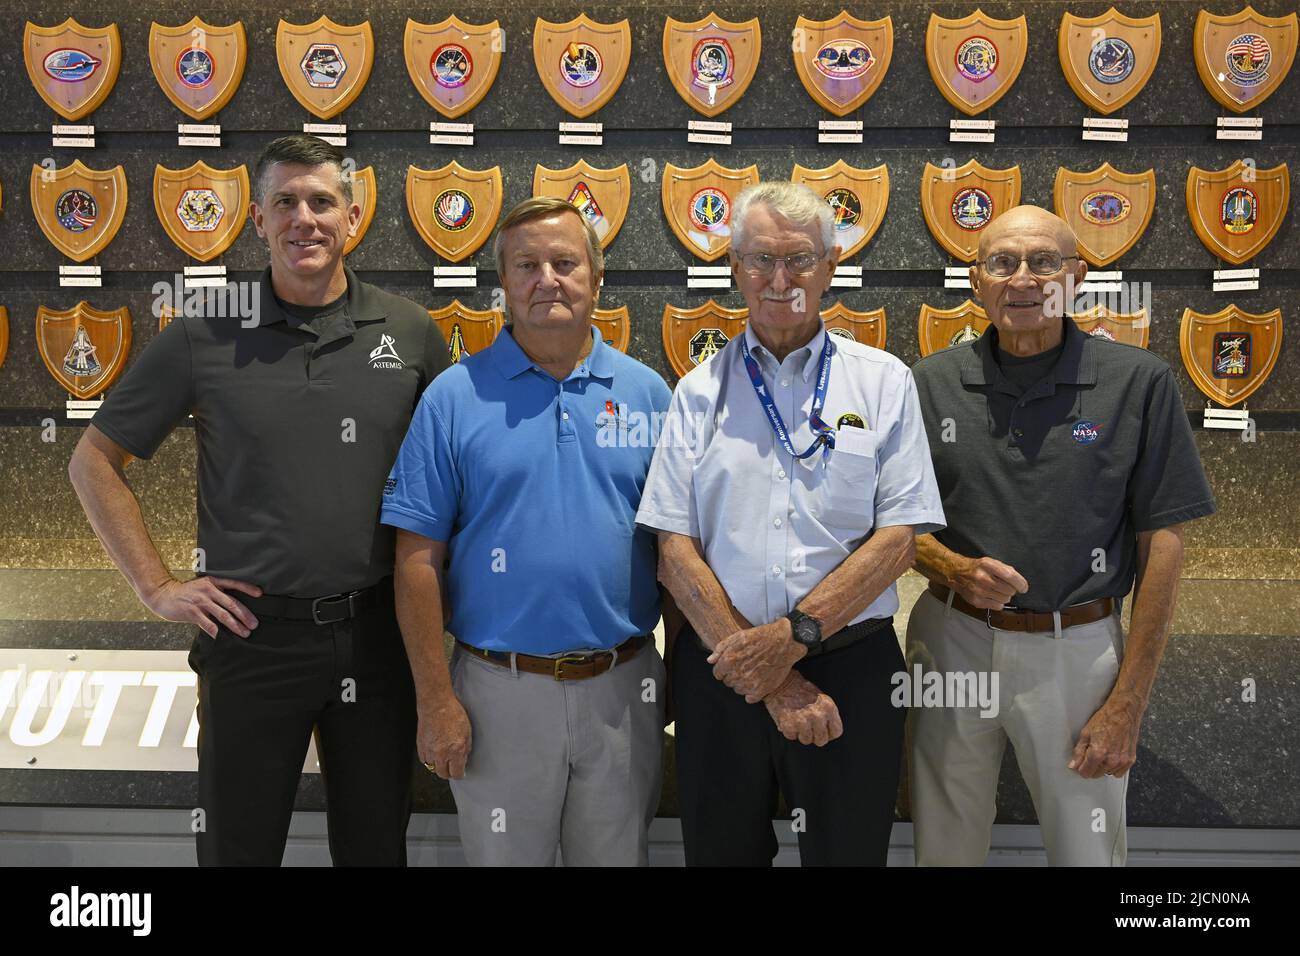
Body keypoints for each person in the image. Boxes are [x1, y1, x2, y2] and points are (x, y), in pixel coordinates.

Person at [67, 134, 450, 865]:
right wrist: (156, 586)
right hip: (249, 639)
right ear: (257, 219)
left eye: (321, 201)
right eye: (285, 202)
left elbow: (451, 484)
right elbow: (94, 461)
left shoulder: (410, 333)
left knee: (376, 849)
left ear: (354, 216)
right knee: (237, 851)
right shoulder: (202, 333)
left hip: (376, 639)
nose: (304, 218)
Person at [636, 182, 946, 866]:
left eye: (799, 259)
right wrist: (770, 673)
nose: (780, 280)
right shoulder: (696, 393)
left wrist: (794, 638)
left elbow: (898, 542)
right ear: (735, 270)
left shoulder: (884, 382)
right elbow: (674, 554)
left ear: (832, 265)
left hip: (850, 670)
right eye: (760, 260)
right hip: (722, 672)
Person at [907, 205, 1217, 866]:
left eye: (1043, 262)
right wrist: (951, 568)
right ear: (975, 281)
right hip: (950, 640)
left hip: (1076, 651)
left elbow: (1164, 543)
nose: (1023, 279)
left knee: (1089, 853)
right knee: (943, 845)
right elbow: (894, 527)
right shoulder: (927, 384)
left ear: (1076, 277)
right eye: (1002, 262)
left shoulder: (1139, 383)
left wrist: (1129, 700)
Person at [380, 196, 672, 866]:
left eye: (565, 262)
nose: (547, 279)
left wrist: (676, 678)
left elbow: (675, 551)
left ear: (597, 280)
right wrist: (436, 701)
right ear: (504, 286)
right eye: (526, 265)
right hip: (496, 695)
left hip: (623, 690)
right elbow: (417, 560)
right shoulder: (453, 398)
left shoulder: (648, 394)